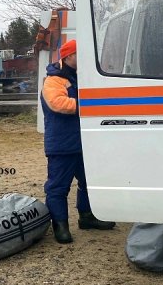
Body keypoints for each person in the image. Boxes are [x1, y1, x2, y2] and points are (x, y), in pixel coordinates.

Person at [41, 40, 115, 244]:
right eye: (79, 54)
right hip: (62, 144)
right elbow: (57, 103)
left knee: (89, 182)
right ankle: (60, 226)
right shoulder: (54, 80)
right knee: (58, 187)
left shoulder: (78, 77)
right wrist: (90, 105)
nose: (83, 58)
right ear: (68, 56)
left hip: (83, 142)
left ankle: (87, 217)